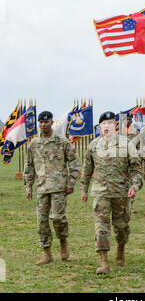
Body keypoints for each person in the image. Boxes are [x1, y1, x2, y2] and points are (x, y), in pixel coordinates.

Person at [80, 111, 143, 275]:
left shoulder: (126, 144)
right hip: (101, 192)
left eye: (109, 123)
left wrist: (134, 186)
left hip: (121, 192)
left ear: (115, 125)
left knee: (121, 226)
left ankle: (121, 246)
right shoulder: (93, 145)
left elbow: (137, 169)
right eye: (103, 123)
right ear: (100, 126)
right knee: (101, 227)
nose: (106, 126)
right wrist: (83, 189)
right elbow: (87, 170)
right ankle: (103, 261)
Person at [23, 111, 81, 265]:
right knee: (41, 221)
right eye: (41, 122)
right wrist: (28, 186)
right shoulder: (34, 144)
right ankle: (47, 253)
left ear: (52, 122)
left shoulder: (62, 141)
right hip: (41, 188)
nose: (43, 125)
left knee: (57, 218)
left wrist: (70, 182)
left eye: (46, 122)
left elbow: (75, 163)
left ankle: (63, 243)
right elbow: (29, 167)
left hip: (58, 188)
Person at [119, 112, 140, 213]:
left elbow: (139, 146)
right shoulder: (118, 132)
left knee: (131, 183)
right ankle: (121, 204)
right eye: (126, 119)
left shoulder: (135, 131)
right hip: (120, 161)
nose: (128, 121)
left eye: (129, 119)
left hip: (131, 160)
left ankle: (130, 205)